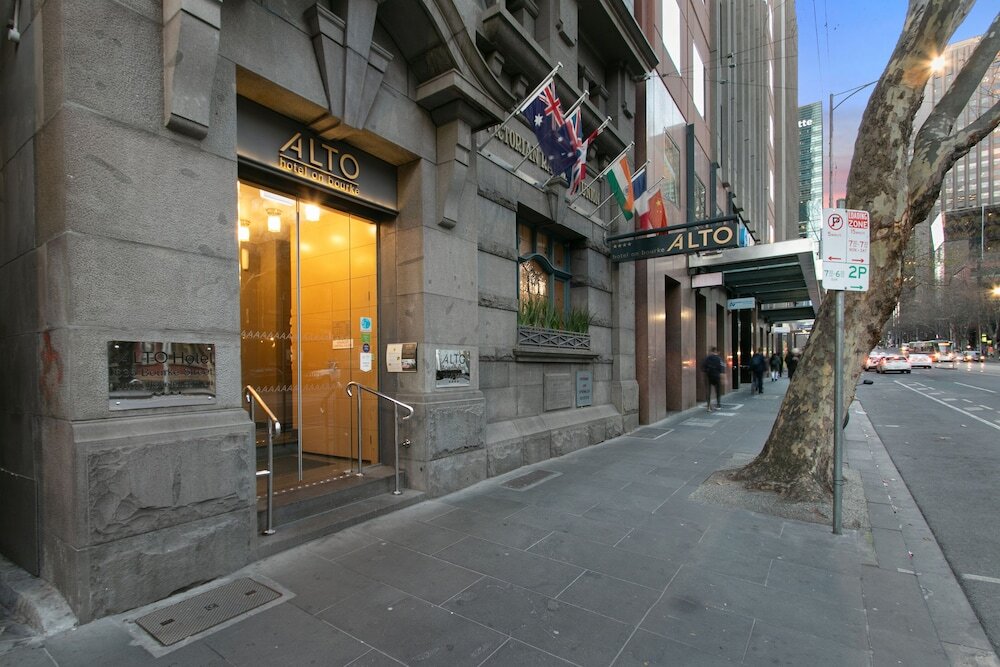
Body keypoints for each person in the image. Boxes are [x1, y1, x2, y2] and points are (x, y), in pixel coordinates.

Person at [702, 347, 724, 411]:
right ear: (715, 351)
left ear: (711, 351)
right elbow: (721, 369)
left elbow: (703, 368)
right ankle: (718, 405)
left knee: (708, 391)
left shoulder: (707, 358)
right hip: (717, 376)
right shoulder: (719, 359)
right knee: (718, 391)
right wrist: (723, 378)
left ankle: (708, 407)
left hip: (709, 376)